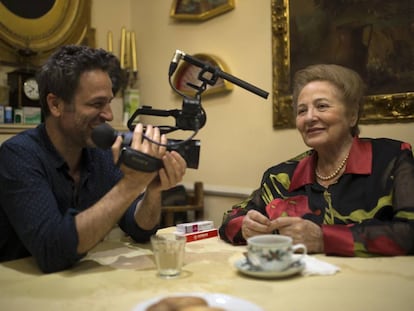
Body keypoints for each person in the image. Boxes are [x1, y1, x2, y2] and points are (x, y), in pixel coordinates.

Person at [0, 45, 187, 273]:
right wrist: (131, 184)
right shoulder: (18, 155)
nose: (109, 115)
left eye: (109, 102)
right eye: (97, 104)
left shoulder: (100, 154)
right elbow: (52, 252)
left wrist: (152, 191)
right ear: (55, 104)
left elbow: (139, 228)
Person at [219, 64, 414, 256]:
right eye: (302, 111)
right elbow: (230, 219)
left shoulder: (392, 159)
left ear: (352, 115)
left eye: (322, 106)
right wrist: (245, 226)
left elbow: (409, 232)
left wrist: (323, 238)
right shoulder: (280, 176)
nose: (309, 117)